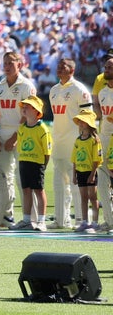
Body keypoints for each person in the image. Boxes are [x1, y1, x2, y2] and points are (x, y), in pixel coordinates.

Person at [0, 50, 36, 228]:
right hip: (2, 134)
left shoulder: (26, 86)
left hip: (22, 134)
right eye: (5, 63)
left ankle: (31, 218)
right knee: (1, 176)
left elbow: (28, 115)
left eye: (11, 63)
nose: (7, 66)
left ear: (20, 65)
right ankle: (5, 215)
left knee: (23, 177)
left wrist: (15, 138)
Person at [46, 58, 92, 229]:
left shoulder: (79, 89)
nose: (59, 69)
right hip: (58, 142)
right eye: (58, 66)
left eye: (63, 67)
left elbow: (89, 116)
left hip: (75, 142)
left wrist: (84, 141)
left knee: (76, 183)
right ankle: (60, 220)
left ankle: (81, 220)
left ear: (72, 70)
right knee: (59, 183)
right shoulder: (54, 90)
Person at [14, 95, 51, 232]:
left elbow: (47, 151)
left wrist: (43, 165)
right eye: (23, 106)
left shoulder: (42, 128)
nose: (24, 108)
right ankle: (26, 220)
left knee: (39, 191)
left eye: (27, 106)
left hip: (37, 163)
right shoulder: (22, 127)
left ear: (36, 110)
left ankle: (41, 221)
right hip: (24, 161)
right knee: (26, 191)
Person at [70, 110, 102, 232]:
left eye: (83, 121)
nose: (81, 124)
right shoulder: (78, 140)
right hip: (80, 171)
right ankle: (84, 222)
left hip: (90, 172)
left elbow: (97, 159)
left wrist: (93, 174)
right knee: (83, 197)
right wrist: (74, 175)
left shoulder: (94, 140)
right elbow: (74, 159)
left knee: (93, 197)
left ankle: (95, 222)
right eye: (80, 121)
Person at [96, 57, 113, 232]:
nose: (107, 69)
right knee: (101, 177)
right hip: (105, 138)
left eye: (110, 67)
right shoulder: (102, 93)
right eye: (106, 66)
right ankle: (109, 220)